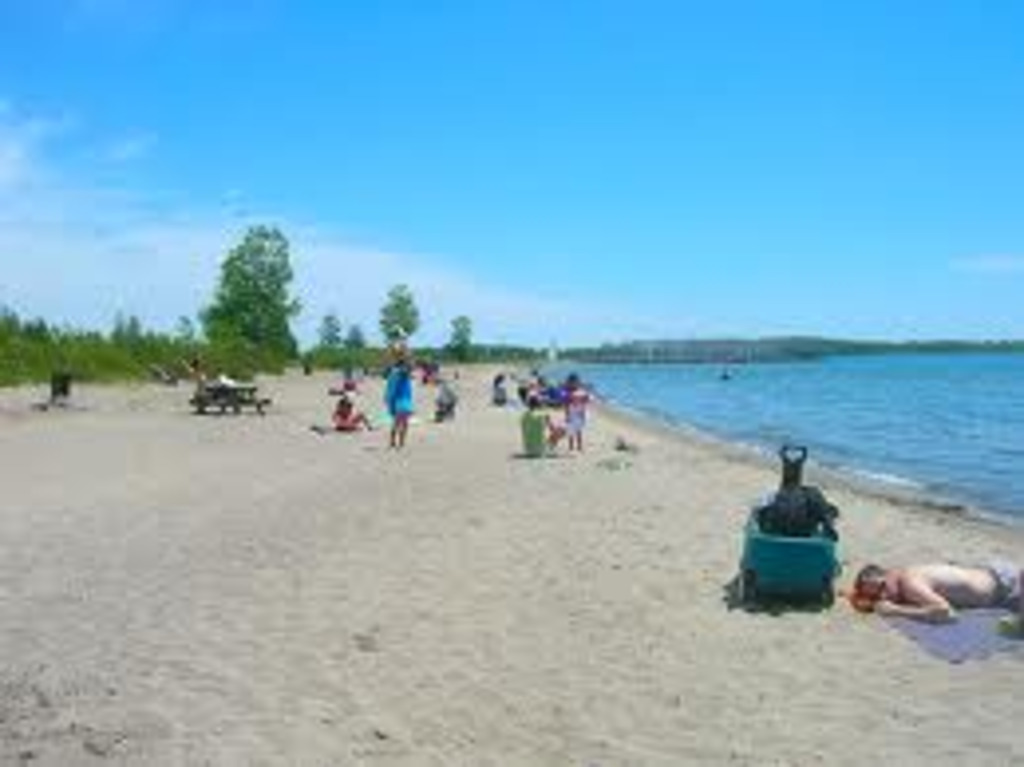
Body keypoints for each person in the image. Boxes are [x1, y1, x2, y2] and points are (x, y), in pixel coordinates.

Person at [852, 561, 1022, 624]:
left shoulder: (910, 583)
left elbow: (947, 614)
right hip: (997, 580)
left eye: (882, 588)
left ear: (889, 575)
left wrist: (896, 611)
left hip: (1006, 587)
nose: (884, 597)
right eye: (876, 596)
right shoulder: (906, 576)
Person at [384, 349, 414, 449]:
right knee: (402, 422)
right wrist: (406, 355)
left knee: (399, 422)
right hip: (402, 398)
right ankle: (398, 442)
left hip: (399, 398)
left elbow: (409, 366)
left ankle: (395, 442)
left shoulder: (395, 371)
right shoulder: (399, 371)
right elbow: (409, 367)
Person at [563, 372, 591, 452]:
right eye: (572, 382)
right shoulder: (568, 393)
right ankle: (571, 447)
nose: (574, 384)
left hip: (579, 412)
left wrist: (583, 412)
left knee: (578, 430)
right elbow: (566, 405)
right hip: (572, 412)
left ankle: (579, 446)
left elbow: (586, 402)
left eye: (575, 382)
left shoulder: (581, 392)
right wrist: (567, 415)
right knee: (571, 431)